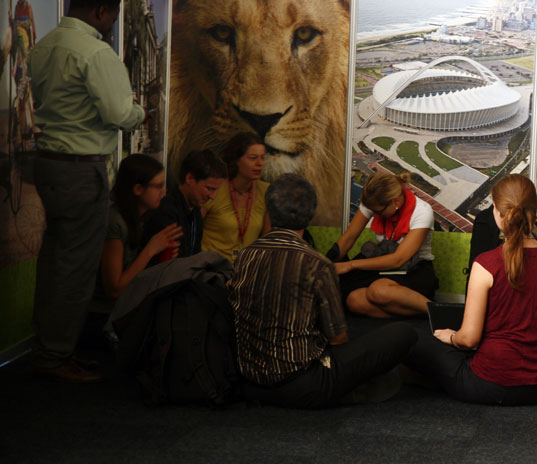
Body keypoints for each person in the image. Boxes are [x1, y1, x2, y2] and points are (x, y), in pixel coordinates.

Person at [29, 0, 145, 382]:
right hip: (81, 167)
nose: (111, 25)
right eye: (111, 16)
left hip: (48, 164)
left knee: (54, 262)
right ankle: (56, 356)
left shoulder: (43, 46)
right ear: (101, 12)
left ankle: (47, 346)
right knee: (76, 269)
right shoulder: (96, 53)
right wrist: (139, 113)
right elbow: (118, 113)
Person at [230, 174, 417, 408]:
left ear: (269, 211)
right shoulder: (315, 263)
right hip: (304, 385)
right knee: (403, 333)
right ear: (309, 216)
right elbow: (337, 338)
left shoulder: (245, 256)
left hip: (250, 380)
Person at [405, 174, 537, 405]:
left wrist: (450, 337)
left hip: (491, 384)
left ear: (499, 214)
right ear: (533, 212)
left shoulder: (486, 264)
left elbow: (469, 340)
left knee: (413, 338)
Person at [330, 171, 438, 317]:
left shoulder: (422, 211)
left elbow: (398, 259)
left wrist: (350, 264)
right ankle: (416, 313)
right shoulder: (374, 203)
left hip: (414, 268)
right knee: (353, 301)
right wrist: (325, 263)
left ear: (395, 201)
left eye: (377, 212)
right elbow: (349, 238)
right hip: (383, 264)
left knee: (378, 291)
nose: (373, 215)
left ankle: (437, 312)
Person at [98, 155, 183, 301]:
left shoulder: (143, 218)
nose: (163, 192)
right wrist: (151, 249)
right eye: (157, 186)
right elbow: (114, 289)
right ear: (138, 189)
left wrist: (163, 257)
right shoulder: (115, 221)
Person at [142, 149, 227, 263]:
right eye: (209, 188)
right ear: (190, 178)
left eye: (215, 190)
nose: (213, 196)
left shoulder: (195, 211)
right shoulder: (167, 212)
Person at [201, 132, 271, 262]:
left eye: (263, 157)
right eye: (253, 158)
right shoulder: (215, 188)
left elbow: (267, 239)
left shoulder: (266, 191)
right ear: (235, 160)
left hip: (247, 271)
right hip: (212, 270)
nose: (260, 163)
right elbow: (192, 230)